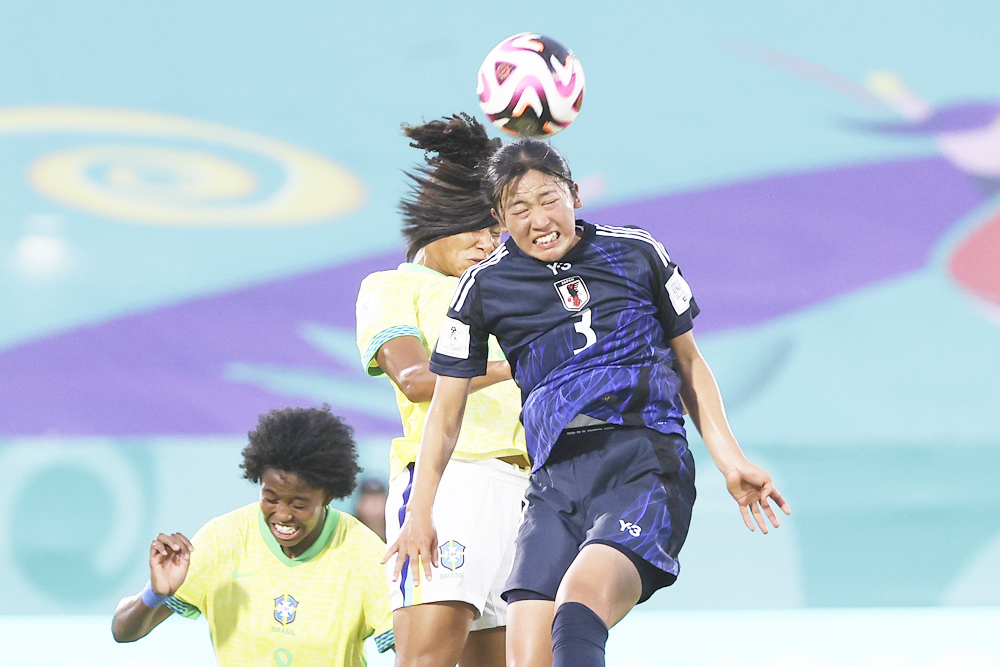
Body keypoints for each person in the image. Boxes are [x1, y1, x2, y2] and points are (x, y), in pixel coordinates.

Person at [386, 138, 792, 667]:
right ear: (499, 217)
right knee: (528, 654)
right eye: (519, 208)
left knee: (576, 608)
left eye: (549, 198)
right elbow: (444, 410)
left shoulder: (636, 251)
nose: (539, 218)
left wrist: (730, 460)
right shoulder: (482, 287)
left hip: (643, 464)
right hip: (554, 484)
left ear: (575, 194)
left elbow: (689, 362)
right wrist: (421, 510)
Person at [355, 113, 530, 667]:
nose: (488, 242)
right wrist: (513, 366)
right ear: (437, 221)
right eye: (476, 227)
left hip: (526, 490)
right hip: (453, 484)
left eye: (496, 230)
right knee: (427, 660)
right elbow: (415, 379)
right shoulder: (391, 287)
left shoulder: (503, 296)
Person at [111, 406, 394, 667]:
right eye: (270, 498)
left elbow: (415, 652)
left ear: (329, 496)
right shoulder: (223, 540)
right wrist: (156, 594)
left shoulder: (365, 554)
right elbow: (122, 632)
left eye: (299, 504)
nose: (282, 515)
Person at [353, 477, 389, 541]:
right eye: (369, 499)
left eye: (378, 499)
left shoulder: (396, 533)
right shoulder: (350, 532)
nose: (374, 504)